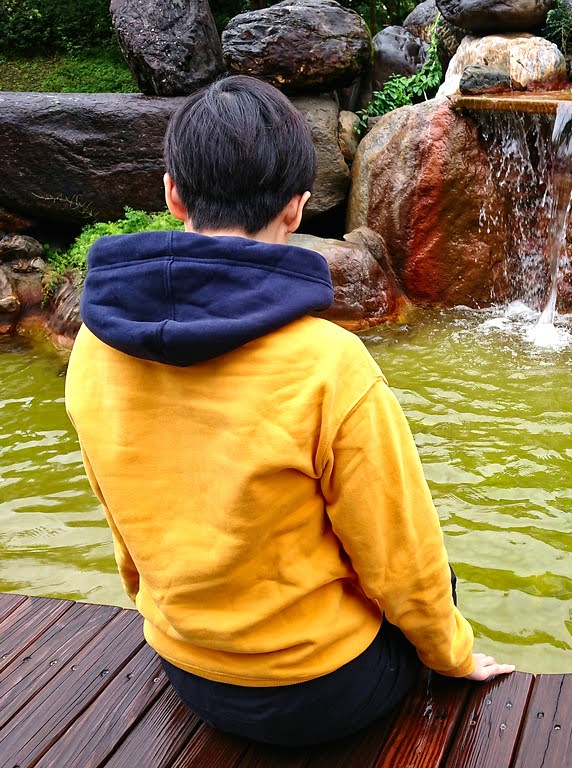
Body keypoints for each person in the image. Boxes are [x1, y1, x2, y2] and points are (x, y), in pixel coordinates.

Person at [64, 74, 513, 747]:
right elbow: (400, 556)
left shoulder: (94, 347)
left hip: (189, 669)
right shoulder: (328, 362)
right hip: (325, 692)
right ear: (298, 209)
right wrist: (452, 655)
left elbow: (127, 535)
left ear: (173, 194)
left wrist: (166, 620)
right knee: (434, 572)